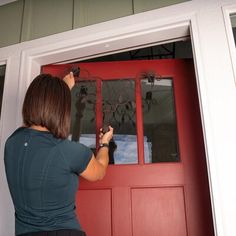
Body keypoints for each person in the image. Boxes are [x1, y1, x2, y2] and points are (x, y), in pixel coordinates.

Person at [4, 72, 113, 236]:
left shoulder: (12, 143)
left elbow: (30, 130)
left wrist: (62, 91)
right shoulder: (69, 151)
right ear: (63, 110)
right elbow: (99, 172)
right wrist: (105, 143)